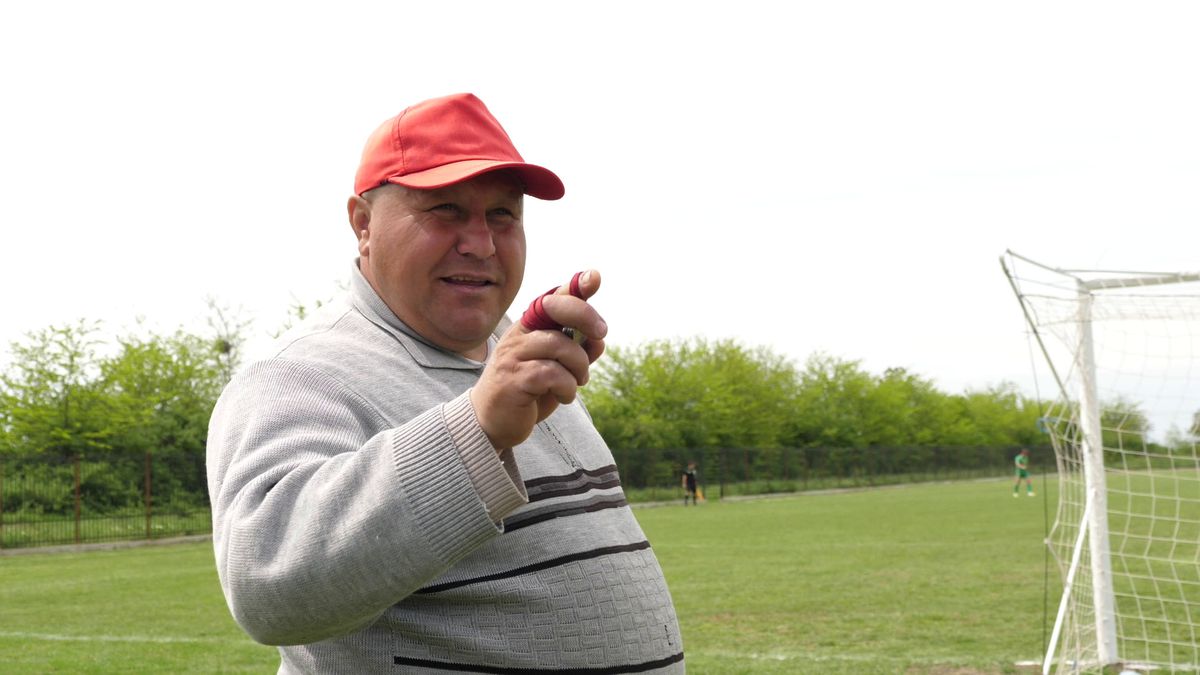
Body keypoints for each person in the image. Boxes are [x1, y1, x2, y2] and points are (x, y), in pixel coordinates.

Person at [206, 93, 684, 674]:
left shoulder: (515, 357)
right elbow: (268, 589)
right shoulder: (297, 376)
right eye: (446, 210)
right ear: (362, 223)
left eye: (503, 215)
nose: (480, 242)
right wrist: (476, 428)